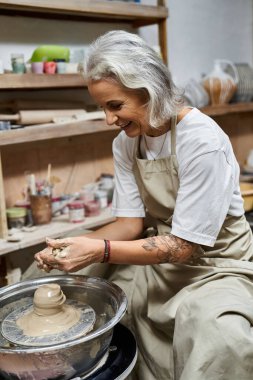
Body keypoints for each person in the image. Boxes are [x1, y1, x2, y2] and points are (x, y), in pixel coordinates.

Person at [35, 30, 253, 380]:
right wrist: (72, 246)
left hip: (216, 263)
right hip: (161, 255)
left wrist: (98, 250)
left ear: (149, 90)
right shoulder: (126, 143)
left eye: (115, 105)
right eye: (102, 107)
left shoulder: (202, 139)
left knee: (218, 334)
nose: (109, 119)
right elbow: (129, 224)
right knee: (74, 284)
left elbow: (183, 246)